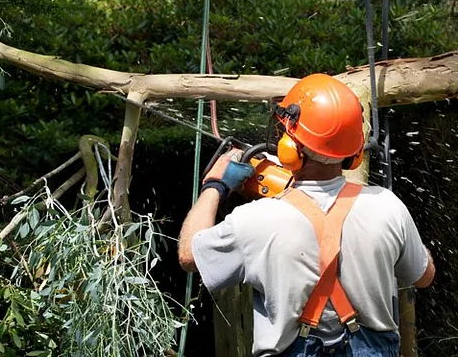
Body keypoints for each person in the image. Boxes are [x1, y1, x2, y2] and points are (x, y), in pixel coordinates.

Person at [178, 73, 435, 357]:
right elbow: (424, 276)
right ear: (354, 151)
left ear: (290, 148)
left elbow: (189, 254)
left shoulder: (253, 220)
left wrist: (215, 186)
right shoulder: (388, 207)